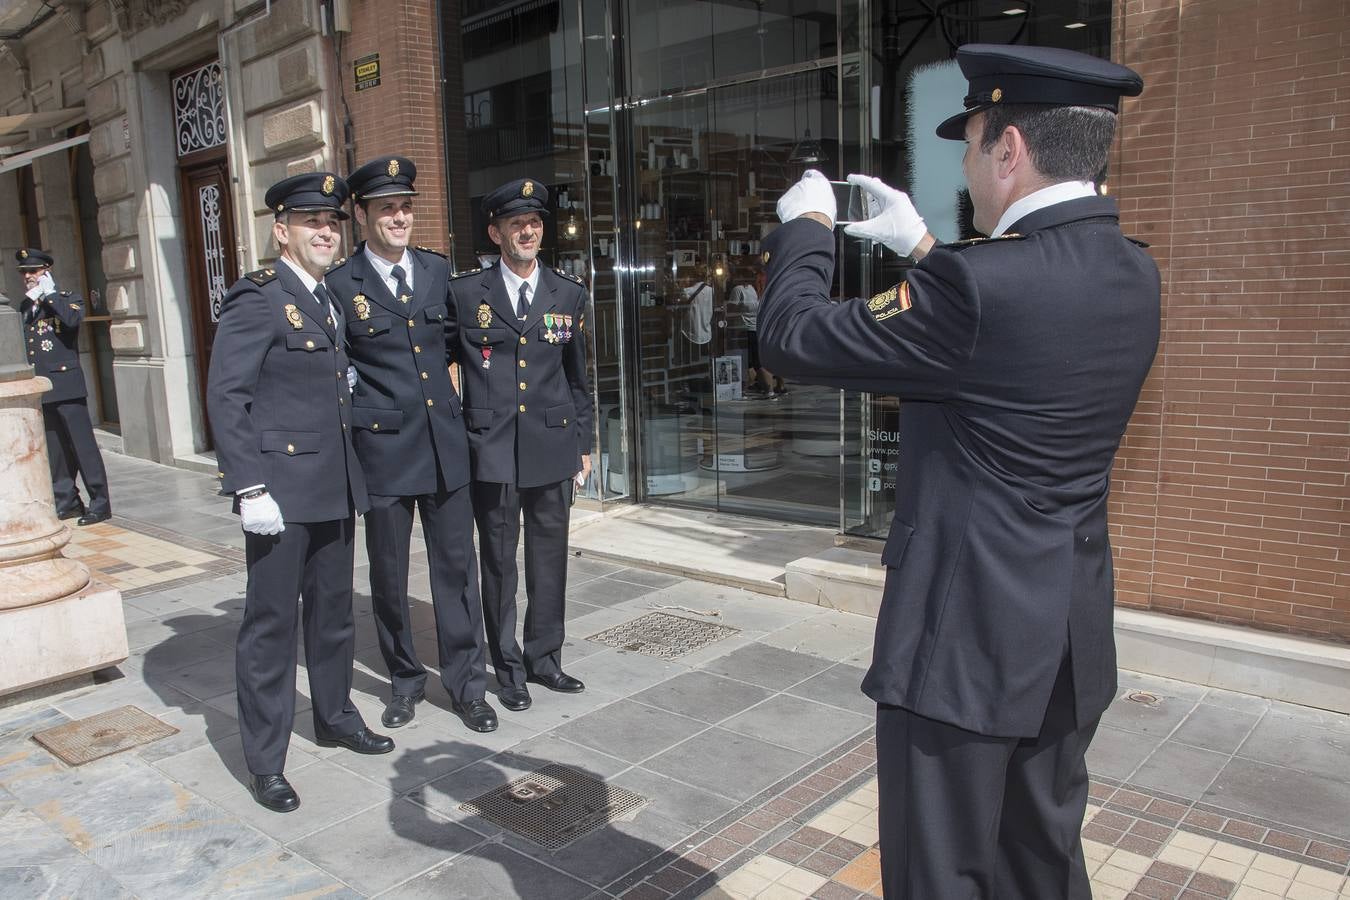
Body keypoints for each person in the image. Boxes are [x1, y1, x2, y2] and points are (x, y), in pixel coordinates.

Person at [759, 44, 1156, 899]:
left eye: (972, 142)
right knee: (1040, 862)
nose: (967, 165)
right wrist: (925, 247)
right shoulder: (1136, 270)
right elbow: (1010, 324)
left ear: (1009, 149)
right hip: (1066, 640)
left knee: (939, 873)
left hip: (965, 648)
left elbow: (790, 335)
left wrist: (805, 227)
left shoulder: (977, 292)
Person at [207, 172, 394, 814]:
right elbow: (227, 396)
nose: (325, 231)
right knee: (271, 625)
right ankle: (266, 760)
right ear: (281, 230)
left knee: (335, 613)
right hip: (281, 493)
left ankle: (336, 715)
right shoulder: (259, 296)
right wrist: (249, 485)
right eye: (311, 222)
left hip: (335, 486)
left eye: (333, 222)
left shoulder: (327, 297)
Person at [325, 155, 497, 734]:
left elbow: (458, 344)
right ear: (362, 215)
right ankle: (404, 681)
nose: (399, 217)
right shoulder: (341, 284)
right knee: (389, 575)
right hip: (384, 451)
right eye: (386, 208)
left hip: (445, 446)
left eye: (405, 207)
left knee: (457, 571)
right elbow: (335, 366)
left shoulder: (437, 272)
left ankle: (467, 684)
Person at [448, 177, 593, 711]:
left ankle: (545, 659)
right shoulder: (466, 294)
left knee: (549, 560)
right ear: (495, 232)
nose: (527, 231)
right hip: (492, 449)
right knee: (500, 564)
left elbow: (579, 379)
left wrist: (585, 443)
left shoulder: (568, 293)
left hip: (553, 446)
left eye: (534, 223)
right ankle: (507, 667)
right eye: (516, 224)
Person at [16, 249, 111, 525]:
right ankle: (67, 501)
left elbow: (70, 323)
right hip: (43, 387)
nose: (27, 277)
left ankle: (100, 503)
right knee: (56, 452)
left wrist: (48, 296)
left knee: (83, 448)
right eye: (24, 272)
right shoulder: (27, 307)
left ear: (46, 271)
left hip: (67, 386)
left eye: (32, 271)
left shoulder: (67, 300)